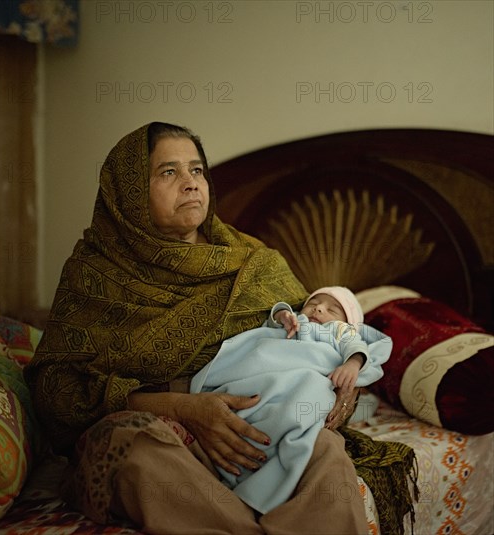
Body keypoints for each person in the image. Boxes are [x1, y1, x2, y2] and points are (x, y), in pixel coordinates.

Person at [24, 122, 416, 535]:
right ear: (130, 192)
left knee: (324, 453)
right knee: (133, 450)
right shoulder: (94, 274)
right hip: (163, 427)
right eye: (168, 172)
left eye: (197, 170)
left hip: (263, 426)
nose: (191, 184)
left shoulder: (256, 264)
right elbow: (56, 391)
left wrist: (335, 396)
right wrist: (183, 409)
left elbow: (321, 348)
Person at [190, 286, 392, 514]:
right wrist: (283, 316)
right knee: (252, 388)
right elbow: (274, 320)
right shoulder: (296, 321)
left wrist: (352, 364)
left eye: (332, 309)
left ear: (347, 322)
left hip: (308, 380)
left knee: (308, 399)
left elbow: (355, 346)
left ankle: (259, 470)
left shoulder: (338, 330)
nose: (319, 308)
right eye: (314, 302)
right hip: (268, 374)